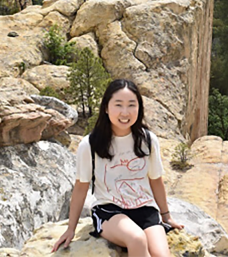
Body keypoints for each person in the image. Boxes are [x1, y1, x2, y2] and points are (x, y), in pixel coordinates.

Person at [52, 79, 184, 256]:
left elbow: (156, 180)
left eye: (131, 105)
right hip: (109, 210)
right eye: (118, 105)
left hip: (144, 209)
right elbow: (81, 187)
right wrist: (71, 229)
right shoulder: (90, 144)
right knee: (137, 239)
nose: (125, 112)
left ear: (139, 108)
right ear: (106, 108)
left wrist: (166, 216)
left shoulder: (148, 140)